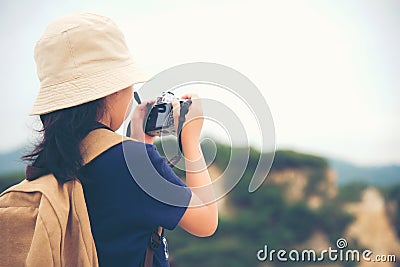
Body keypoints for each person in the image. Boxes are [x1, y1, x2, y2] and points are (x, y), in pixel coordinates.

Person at [23, 13, 218, 267]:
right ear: (112, 90)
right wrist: (191, 140)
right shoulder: (133, 164)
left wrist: (140, 144)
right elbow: (206, 221)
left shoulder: (50, 162)